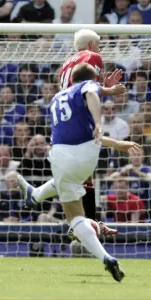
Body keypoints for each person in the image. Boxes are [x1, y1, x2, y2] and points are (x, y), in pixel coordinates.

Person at [25, 63, 138, 281]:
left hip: (61, 153)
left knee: (75, 217)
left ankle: (106, 257)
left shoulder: (56, 99)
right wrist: (105, 129)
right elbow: (92, 94)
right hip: (88, 156)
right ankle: (36, 195)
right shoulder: (88, 87)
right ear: (92, 78)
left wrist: (103, 102)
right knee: (70, 181)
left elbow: (91, 94)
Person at [18, 28, 127, 237]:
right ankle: (86, 224)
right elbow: (87, 89)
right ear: (91, 45)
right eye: (98, 44)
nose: (99, 49)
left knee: (81, 176)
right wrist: (109, 91)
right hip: (79, 116)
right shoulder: (92, 56)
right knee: (83, 173)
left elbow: (77, 89)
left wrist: (104, 88)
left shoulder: (66, 64)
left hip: (63, 118)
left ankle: (78, 220)